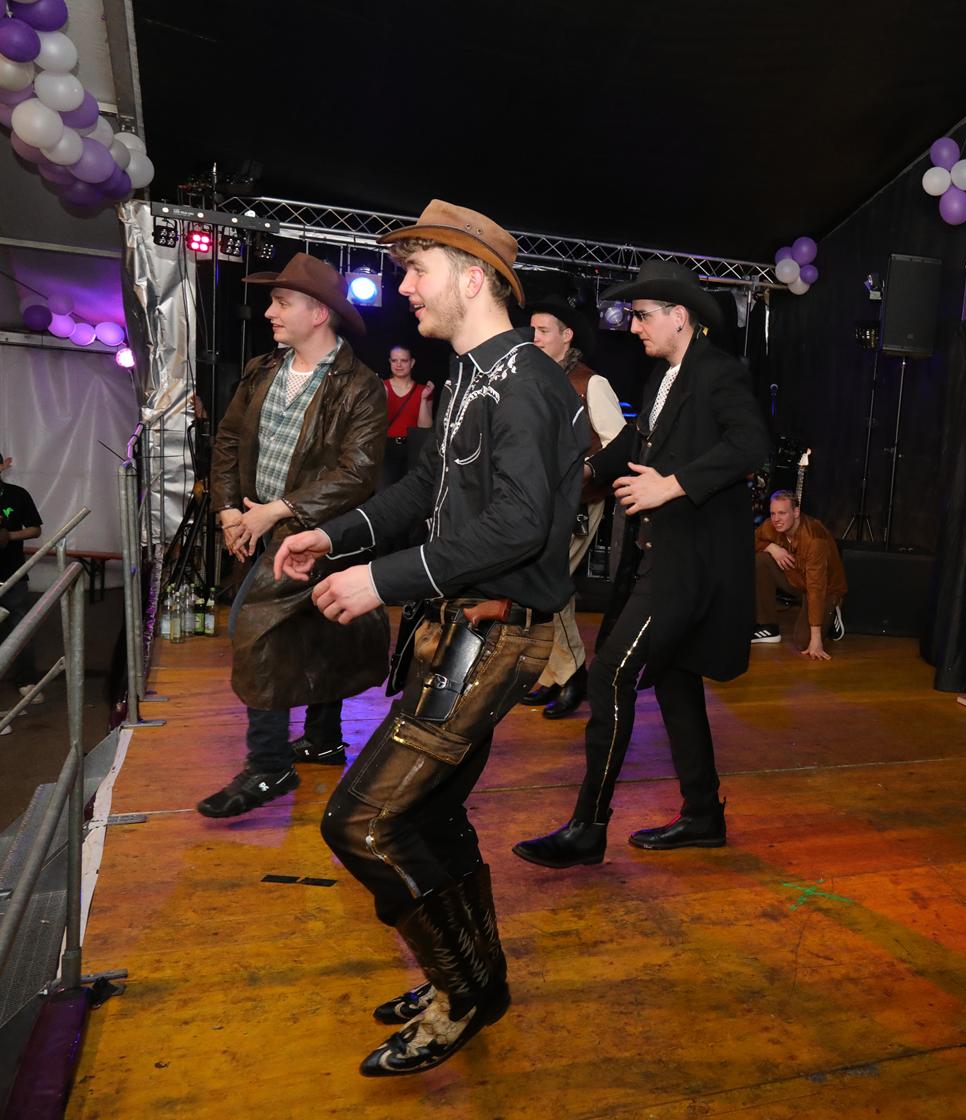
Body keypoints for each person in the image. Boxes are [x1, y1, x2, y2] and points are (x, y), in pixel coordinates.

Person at [271, 199, 589, 1076]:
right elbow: (423, 493)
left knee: (362, 820)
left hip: (495, 636)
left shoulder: (524, 384)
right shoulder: (471, 375)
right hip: (458, 631)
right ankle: (478, 979)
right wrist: (333, 536)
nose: (404, 287)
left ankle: (460, 995)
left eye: (418, 269)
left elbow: (519, 526)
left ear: (473, 278)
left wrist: (379, 580)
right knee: (430, 814)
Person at [512, 260, 768, 869]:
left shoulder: (718, 372)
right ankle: (703, 815)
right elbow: (633, 444)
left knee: (608, 676)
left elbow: (751, 444)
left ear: (680, 316)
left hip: (690, 566)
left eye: (643, 315)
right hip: (659, 557)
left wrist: (672, 485)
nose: (633, 327)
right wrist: (578, 475)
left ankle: (588, 828)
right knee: (674, 680)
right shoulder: (662, 377)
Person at [196, 254, 389, 817]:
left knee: (253, 630)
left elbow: (357, 474)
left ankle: (269, 766)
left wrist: (275, 513)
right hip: (259, 525)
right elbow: (229, 441)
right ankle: (324, 739)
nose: (269, 312)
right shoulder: (262, 369)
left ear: (319, 312)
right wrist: (230, 513)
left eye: (281, 302)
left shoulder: (360, 386)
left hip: (323, 534)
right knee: (314, 632)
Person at [516, 297, 626, 718]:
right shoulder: (535, 378)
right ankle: (554, 673)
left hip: (580, 501)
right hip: (539, 501)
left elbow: (619, 446)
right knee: (542, 585)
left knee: (550, 583)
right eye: (533, 330)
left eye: (544, 331)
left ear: (567, 336)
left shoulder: (590, 383)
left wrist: (586, 471)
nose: (536, 337)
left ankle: (574, 674)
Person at [751, 489, 847, 660]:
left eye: (782, 513)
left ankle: (833, 612)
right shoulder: (772, 526)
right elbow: (750, 540)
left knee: (804, 642)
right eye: (773, 513)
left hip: (824, 590)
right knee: (761, 560)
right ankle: (768, 627)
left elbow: (816, 587)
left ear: (796, 513)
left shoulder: (814, 539)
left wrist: (816, 639)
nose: (776, 519)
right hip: (797, 580)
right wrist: (771, 548)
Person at [0, 452, 44, 731]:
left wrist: (10, 536)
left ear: (2, 466)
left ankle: (26, 680)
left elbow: (35, 530)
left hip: (12, 574)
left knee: (20, 628)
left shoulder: (17, 495)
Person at [380, 344, 433, 490]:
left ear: (412, 362)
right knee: (384, 494)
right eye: (394, 360)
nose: (398, 365)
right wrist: (382, 398)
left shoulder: (423, 390)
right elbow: (375, 425)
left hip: (413, 451)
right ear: (389, 362)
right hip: (386, 450)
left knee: (410, 493)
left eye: (403, 360)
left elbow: (425, 428)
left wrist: (423, 399)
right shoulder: (381, 387)